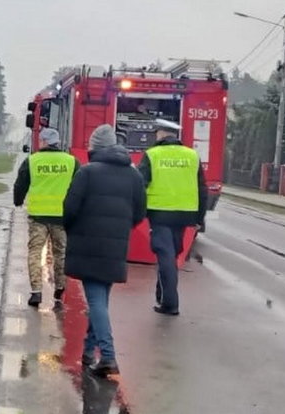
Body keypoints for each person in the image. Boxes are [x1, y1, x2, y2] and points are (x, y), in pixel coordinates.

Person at [63, 124, 146, 377]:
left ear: (95, 147)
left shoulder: (87, 172)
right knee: (100, 299)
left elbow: (70, 209)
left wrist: (75, 230)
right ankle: (88, 351)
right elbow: (140, 212)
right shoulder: (133, 175)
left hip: (88, 246)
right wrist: (121, 228)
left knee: (97, 301)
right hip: (115, 246)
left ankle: (108, 356)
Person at [138, 119, 207, 316]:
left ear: (160, 134)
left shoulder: (152, 155)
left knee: (165, 256)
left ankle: (170, 303)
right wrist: (199, 218)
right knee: (171, 255)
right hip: (184, 215)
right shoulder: (192, 156)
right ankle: (162, 295)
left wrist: (138, 211)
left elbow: (140, 184)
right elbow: (202, 189)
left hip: (160, 213)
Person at [14, 127, 80, 309]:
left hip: (38, 217)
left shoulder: (32, 161)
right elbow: (79, 186)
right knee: (61, 253)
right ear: (57, 143)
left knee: (35, 252)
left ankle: (36, 291)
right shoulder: (72, 162)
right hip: (62, 217)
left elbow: (21, 183)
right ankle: (59, 289)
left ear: (43, 142)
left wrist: (18, 201)